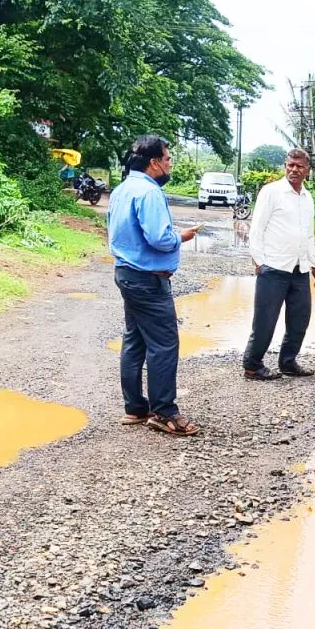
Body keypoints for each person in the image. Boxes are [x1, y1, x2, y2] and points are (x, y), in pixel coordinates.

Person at [107, 134, 200, 436]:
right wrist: (180, 237)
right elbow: (159, 239)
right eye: (168, 158)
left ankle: (135, 407)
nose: (170, 163)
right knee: (164, 344)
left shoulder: (122, 189)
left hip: (126, 274)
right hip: (148, 280)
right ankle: (164, 412)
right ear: (154, 163)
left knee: (135, 340)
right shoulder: (149, 193)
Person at [243, 148, 315, 380]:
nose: (294, 170)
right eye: (290, 165)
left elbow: (308, 235)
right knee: (265, 320)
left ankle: (288, 362)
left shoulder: (307, 198)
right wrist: (259, 262)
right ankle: (252, 365)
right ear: (285, 166)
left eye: (299, 166)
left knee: (300, 319)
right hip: (273, 268)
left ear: (307, 170)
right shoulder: (271, 192)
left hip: (299, 269)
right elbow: (256, 229)